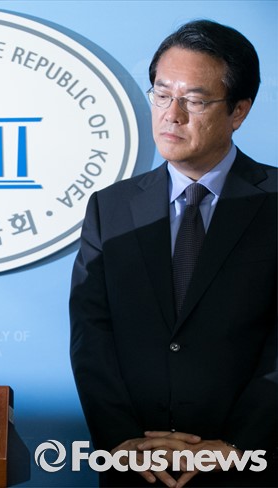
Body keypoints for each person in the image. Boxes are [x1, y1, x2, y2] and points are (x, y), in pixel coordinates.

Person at [70, 19, 276, 488]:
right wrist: (121, 441)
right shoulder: (111, 207)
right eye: (162, 95)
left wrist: (239, 445)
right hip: (135, 466)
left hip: (251, 464)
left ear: (239, 111)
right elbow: (91, 335)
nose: (172, 115)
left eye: (195, 101)